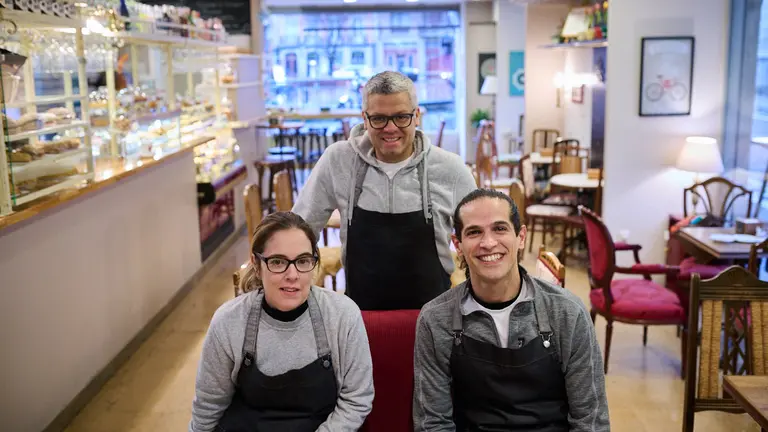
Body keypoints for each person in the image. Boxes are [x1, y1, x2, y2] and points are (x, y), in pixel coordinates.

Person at [413, 189, 610, 431]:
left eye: (500, 228)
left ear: (521, 237)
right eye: (474, 232)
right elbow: (433, 423)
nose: (488, 243)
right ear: (458, 245)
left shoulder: (567, 313)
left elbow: (590, 420)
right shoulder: (436, 320)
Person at [293, 71, 477, 310]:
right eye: (379, 119)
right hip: (360, 319)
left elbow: (479, 237)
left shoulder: (450, 169)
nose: (390, 128)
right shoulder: (338, 160)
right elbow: (300, 228)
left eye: (401, 117)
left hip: (434, 321)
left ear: (417, 116)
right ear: (365, 118)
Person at [189, 212, 374, 432]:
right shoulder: (229, 322)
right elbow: (208, 409)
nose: (293, 274)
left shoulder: (343, 315)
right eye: (278, 262)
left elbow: (356, 399)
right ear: (257, 265)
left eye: (303, 261)